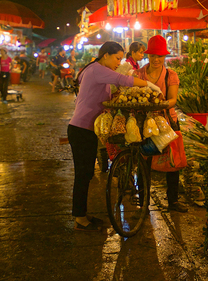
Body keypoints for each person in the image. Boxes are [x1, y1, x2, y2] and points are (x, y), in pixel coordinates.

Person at [67, 41, 158, 232]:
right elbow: (124, 80)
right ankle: (79, 219)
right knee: (83, 175)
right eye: (117, 58)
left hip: (86, 129)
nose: (119, 62)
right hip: (81, 129)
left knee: (86, 174)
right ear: (106, 55)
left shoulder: (94, 69)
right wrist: (150, 85)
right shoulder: (97, 69)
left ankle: (81, 214)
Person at [134, 35, 188, 213]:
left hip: (167, 122)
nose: (156, 60)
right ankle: (143, 202)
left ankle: (173, 201)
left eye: (160, 56)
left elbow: (172, 99)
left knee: (172, 162)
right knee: (144, 162)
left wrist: (160, 104)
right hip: (145, 123)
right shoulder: (139, 74)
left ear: (164, 57)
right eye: (153, 56)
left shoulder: (171, 75)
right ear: (147, 56)